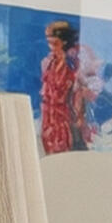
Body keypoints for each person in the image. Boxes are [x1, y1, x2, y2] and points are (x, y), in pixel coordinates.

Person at [38, 17, 99, 155]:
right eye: (49, 42)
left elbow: (80, 90)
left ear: (64, 42)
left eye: (54, 43)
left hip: (66, 116)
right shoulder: (49, 62)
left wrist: (79, 114)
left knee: (69, 151)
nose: (50, 47)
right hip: (51, 115)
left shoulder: (73, 63)